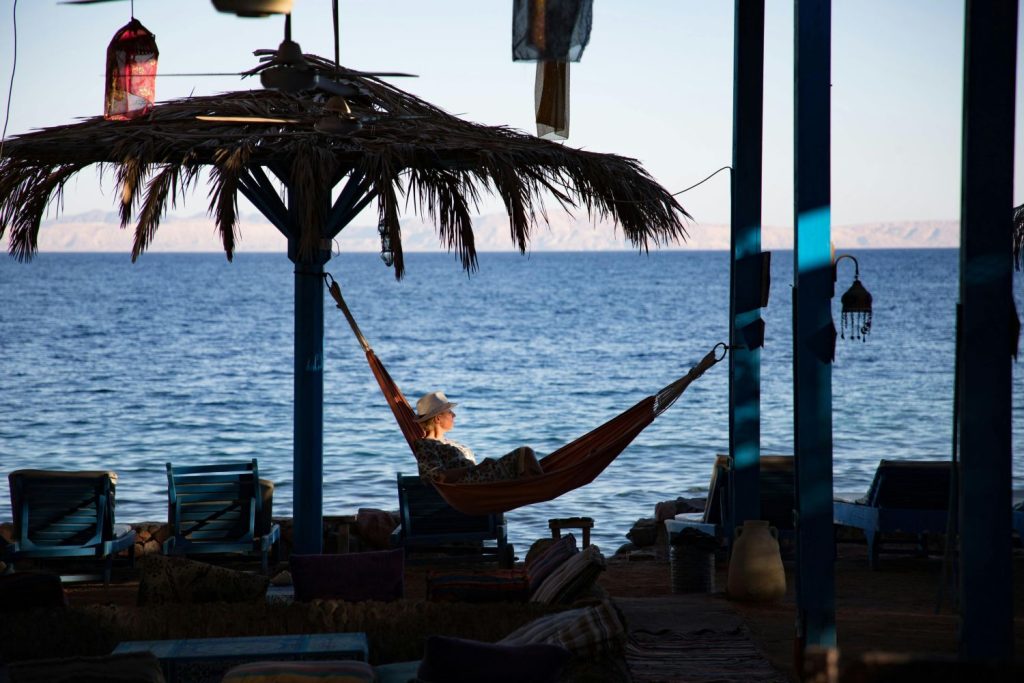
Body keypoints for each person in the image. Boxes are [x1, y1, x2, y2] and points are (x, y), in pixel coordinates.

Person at [412, 390, 543, 484]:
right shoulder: (426, 446)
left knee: (524, 460)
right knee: (524, 453)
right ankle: (541, 486)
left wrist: (481, 467)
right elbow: (437, 477)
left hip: (479, 482)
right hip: (470, 488)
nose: (454, 415)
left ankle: (534, 487)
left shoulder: (449, 443)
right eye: (449, 412)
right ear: (438, 418)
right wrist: (478, 467)